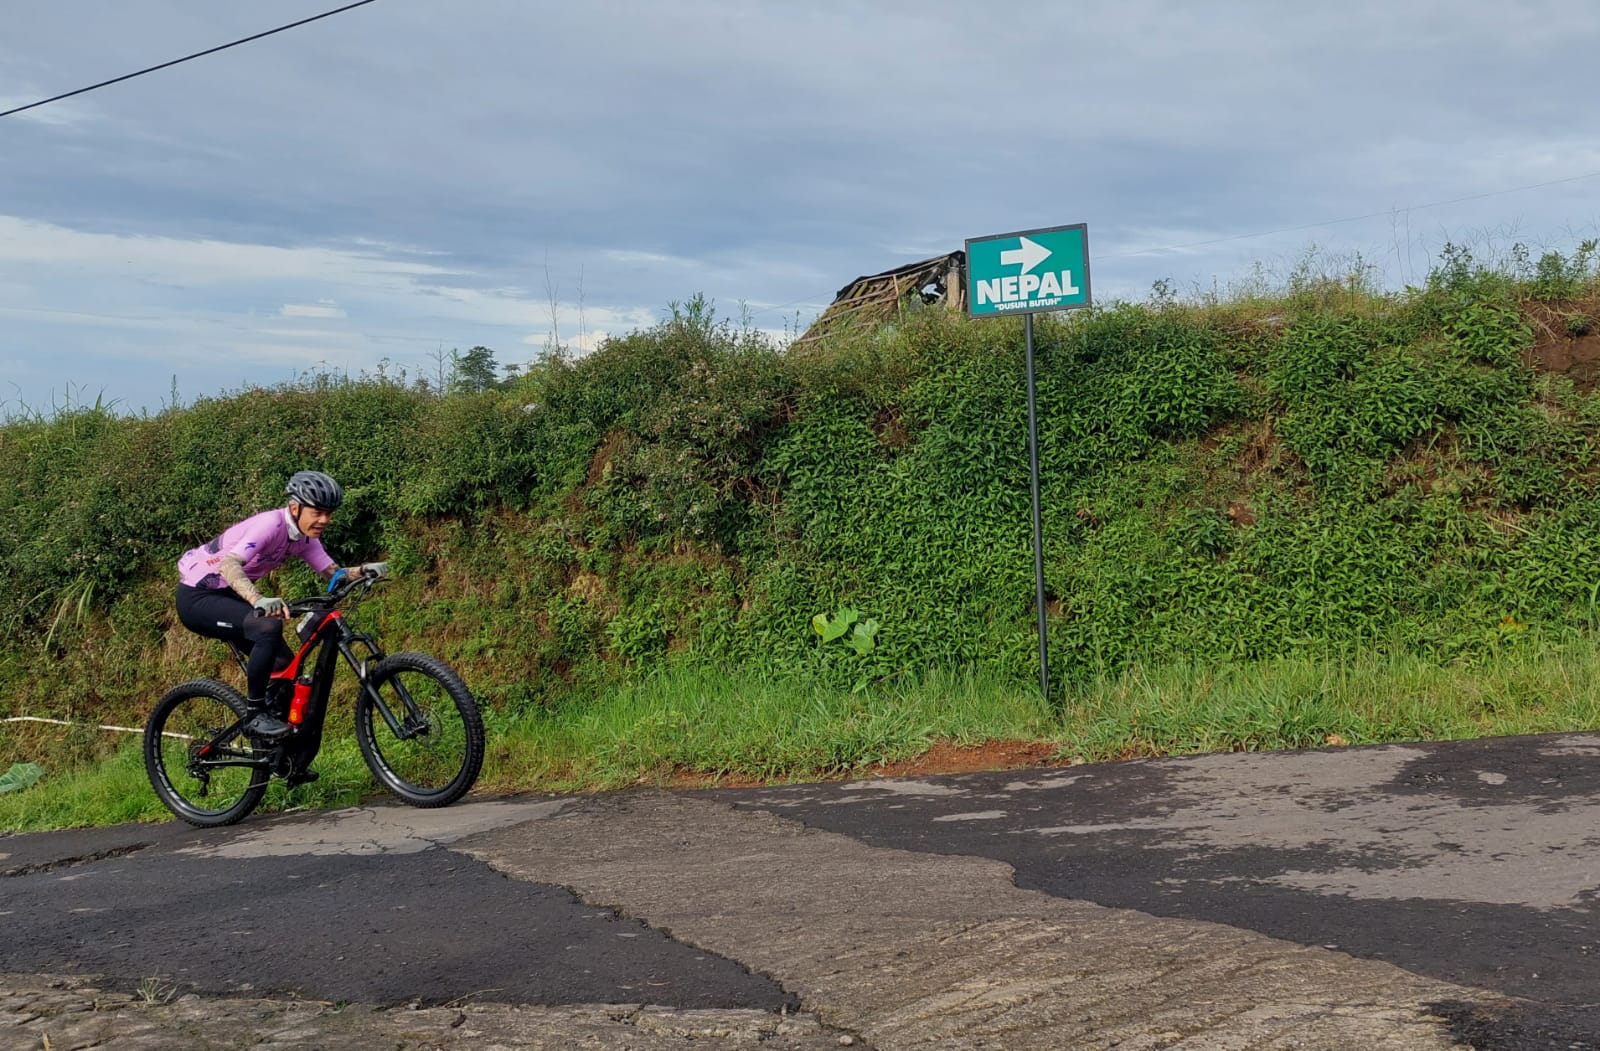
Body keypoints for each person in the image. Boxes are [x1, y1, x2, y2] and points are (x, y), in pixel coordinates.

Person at [175, 470, 387, 745]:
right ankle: (255, 715)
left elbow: (334, 574)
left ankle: (274, 749)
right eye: (318, 512)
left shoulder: (305, 538)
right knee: (267, 626)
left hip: (231, 595)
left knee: (285, 665)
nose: (325, 520)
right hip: (198, 597)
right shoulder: (270, 525)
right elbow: (229, 564)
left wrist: (363, 570)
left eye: (329, 513)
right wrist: (257, 600)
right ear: (295, 508)